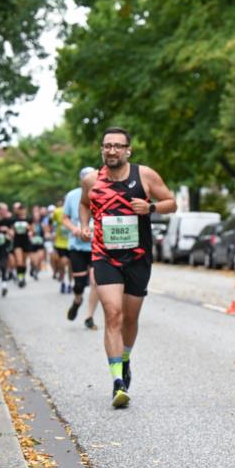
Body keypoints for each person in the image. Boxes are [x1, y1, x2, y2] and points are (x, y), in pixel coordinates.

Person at [79, 127, 177, 408]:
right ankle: (117, 382)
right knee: (113, 313)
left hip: (138, 257)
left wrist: (151, 209)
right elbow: (85, 205)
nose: (112, 151)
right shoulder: (91, 180)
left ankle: (125, 358)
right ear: (101, 150)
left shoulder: (144, 175)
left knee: (130, 318)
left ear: (128, 150)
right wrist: (85, 226)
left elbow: (171, 202)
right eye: (107, 146)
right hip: (104, 255)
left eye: (118, 146)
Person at [63, 167, 101, 329]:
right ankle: (77, 300)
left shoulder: (103, 193)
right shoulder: (72, 196)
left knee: (96, 281)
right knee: (79, 284)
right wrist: (75, 229)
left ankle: (89, 316)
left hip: (97, 246)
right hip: (77, 246)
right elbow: (65, 218)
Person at [52, 200, 71, 293]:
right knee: (63, 262)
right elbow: (50, 222)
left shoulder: (76, 209)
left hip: (72, 242)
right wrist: (51, 232)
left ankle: (70, 283)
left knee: (71, 264)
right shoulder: (57, 211)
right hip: (60, 243)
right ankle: (63, 281)